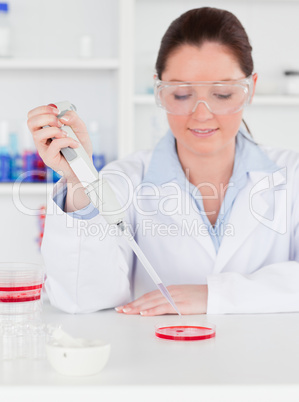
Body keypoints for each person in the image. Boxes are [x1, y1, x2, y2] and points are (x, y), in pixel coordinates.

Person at [27, 7, 299, 315]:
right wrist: (79, 180)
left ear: (250, 89)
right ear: (159, 90)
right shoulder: (125, 178)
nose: (201, 113)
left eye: (222, 93)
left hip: (265, 361)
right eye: (181, 94)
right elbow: (81, 298)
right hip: (157, 359)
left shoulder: (292, 174)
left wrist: (215, 295)